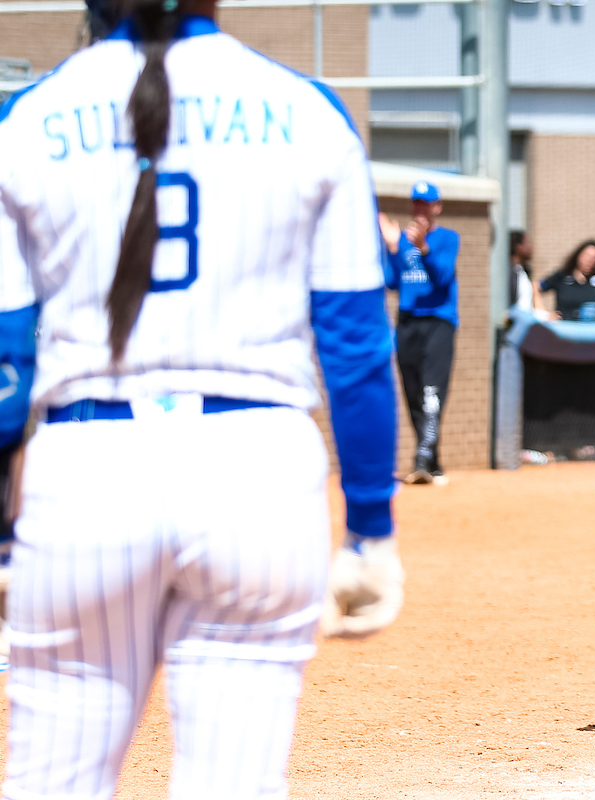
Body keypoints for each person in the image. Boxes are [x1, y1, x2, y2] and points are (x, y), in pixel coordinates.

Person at [0, 0, 405, 795]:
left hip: (85, 468)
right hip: (256, 468)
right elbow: (356, 348)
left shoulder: (27, 117)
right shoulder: (308, 113)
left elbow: (7, 361)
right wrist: (370, 528)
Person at [379, 181, 460, 486]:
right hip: (407, 321)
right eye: (416, 203)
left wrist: (423, 247)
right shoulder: (399, 240)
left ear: (437, 207)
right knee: (413, 393)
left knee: (431, 392)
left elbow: (443, 276)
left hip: (438, 321)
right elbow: (391, 281)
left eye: (426, 204)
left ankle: (422, 461)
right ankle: (433, 462)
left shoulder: (448, 238)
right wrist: (392, 248)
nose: (420, 209)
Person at [535, 239, 595, 321]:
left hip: (592, 329)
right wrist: (543, 314)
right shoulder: (562, 276)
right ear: (578, 255)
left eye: (594, 258)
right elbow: (535, 287)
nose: (589, 261)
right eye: (587, 256)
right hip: (565, 328)